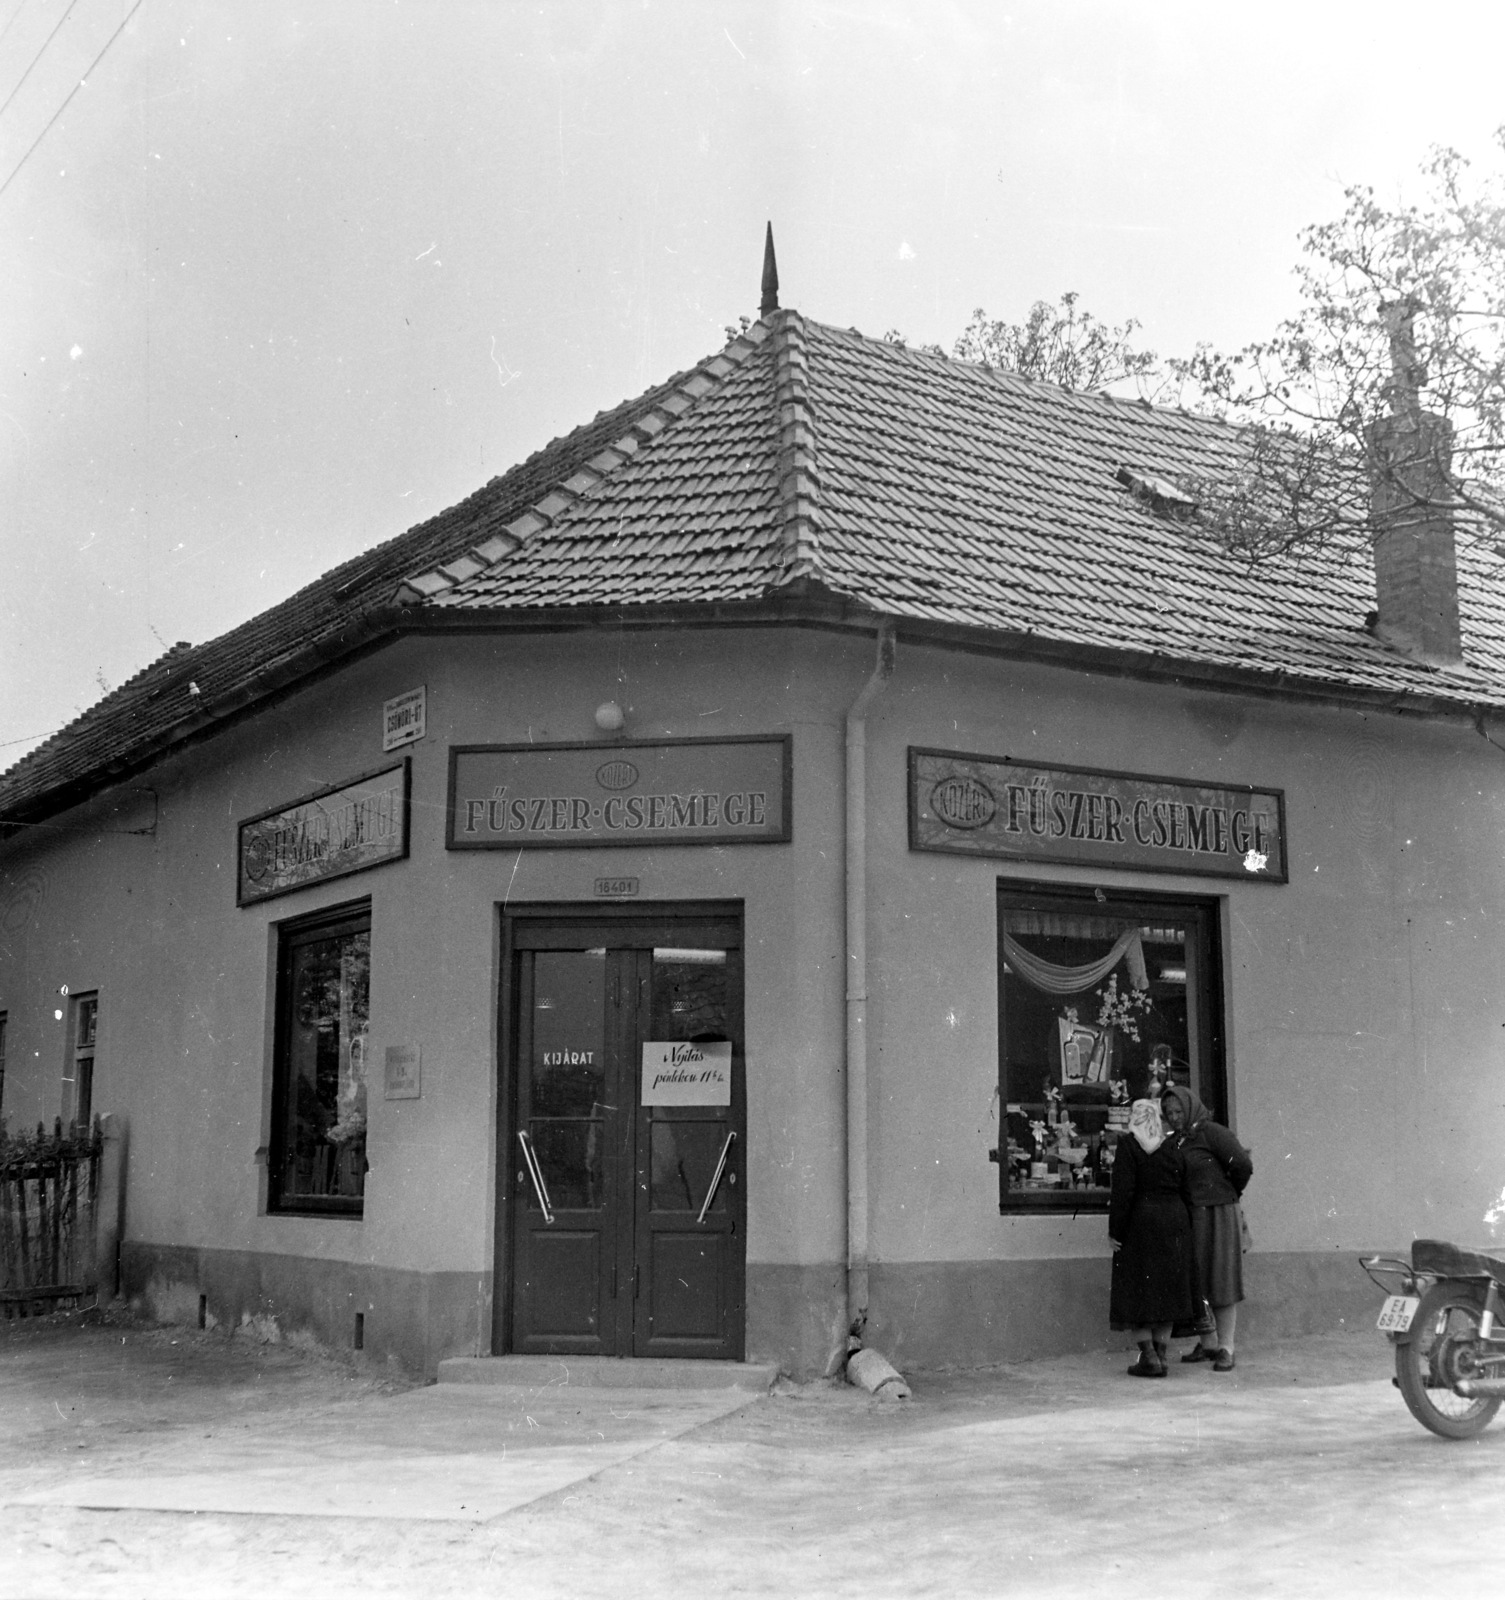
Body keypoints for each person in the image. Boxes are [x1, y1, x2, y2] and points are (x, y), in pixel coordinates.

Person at [1161, 1084, 1253, 1373]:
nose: (1174, 1117)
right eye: (1169, 1113)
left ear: (1190, 1107)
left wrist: (1227, 1193)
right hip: (1189, 1217)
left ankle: (1227, 1348)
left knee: (1221, 1279)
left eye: (1179, 1111)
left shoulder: (1212, 1132)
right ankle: (1208, 1343)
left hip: (1218, 1214)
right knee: (1197, 1282)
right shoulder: (1176, 1141)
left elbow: (1241, 1164)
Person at [1108, 1091, 1195, 1377]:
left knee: (1138, 1290)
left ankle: (1148, 1357)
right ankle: (1161, 1355)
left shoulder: (1128, 1146)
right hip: (1174, 1221)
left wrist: (1114, 1232)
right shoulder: (1172, 1147)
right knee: (1169, 1288)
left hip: (1140, 1222)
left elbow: (1123, 1193)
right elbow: (1186, 1188)